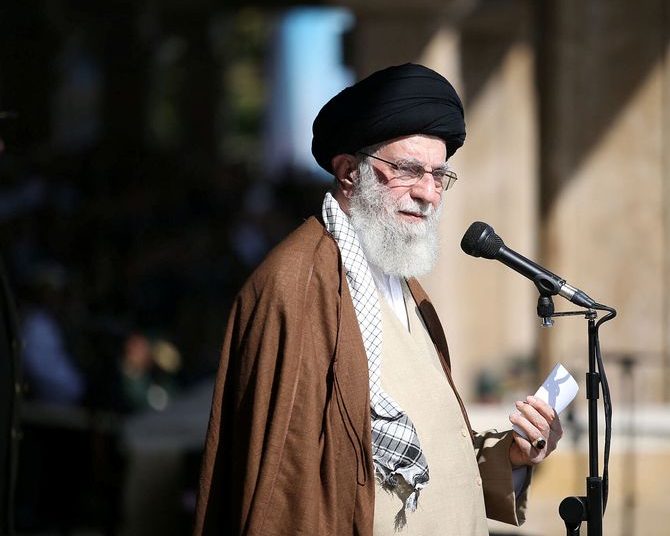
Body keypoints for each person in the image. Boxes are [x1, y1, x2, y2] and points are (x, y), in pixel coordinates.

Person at [193, 63, 563, 536]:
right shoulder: (298, 284)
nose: (428, 194)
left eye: (439, 176)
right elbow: (284, 487)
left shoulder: (406, 287)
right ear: (349, 171)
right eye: (409, 170)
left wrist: (511, 454)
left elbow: (428, 449)